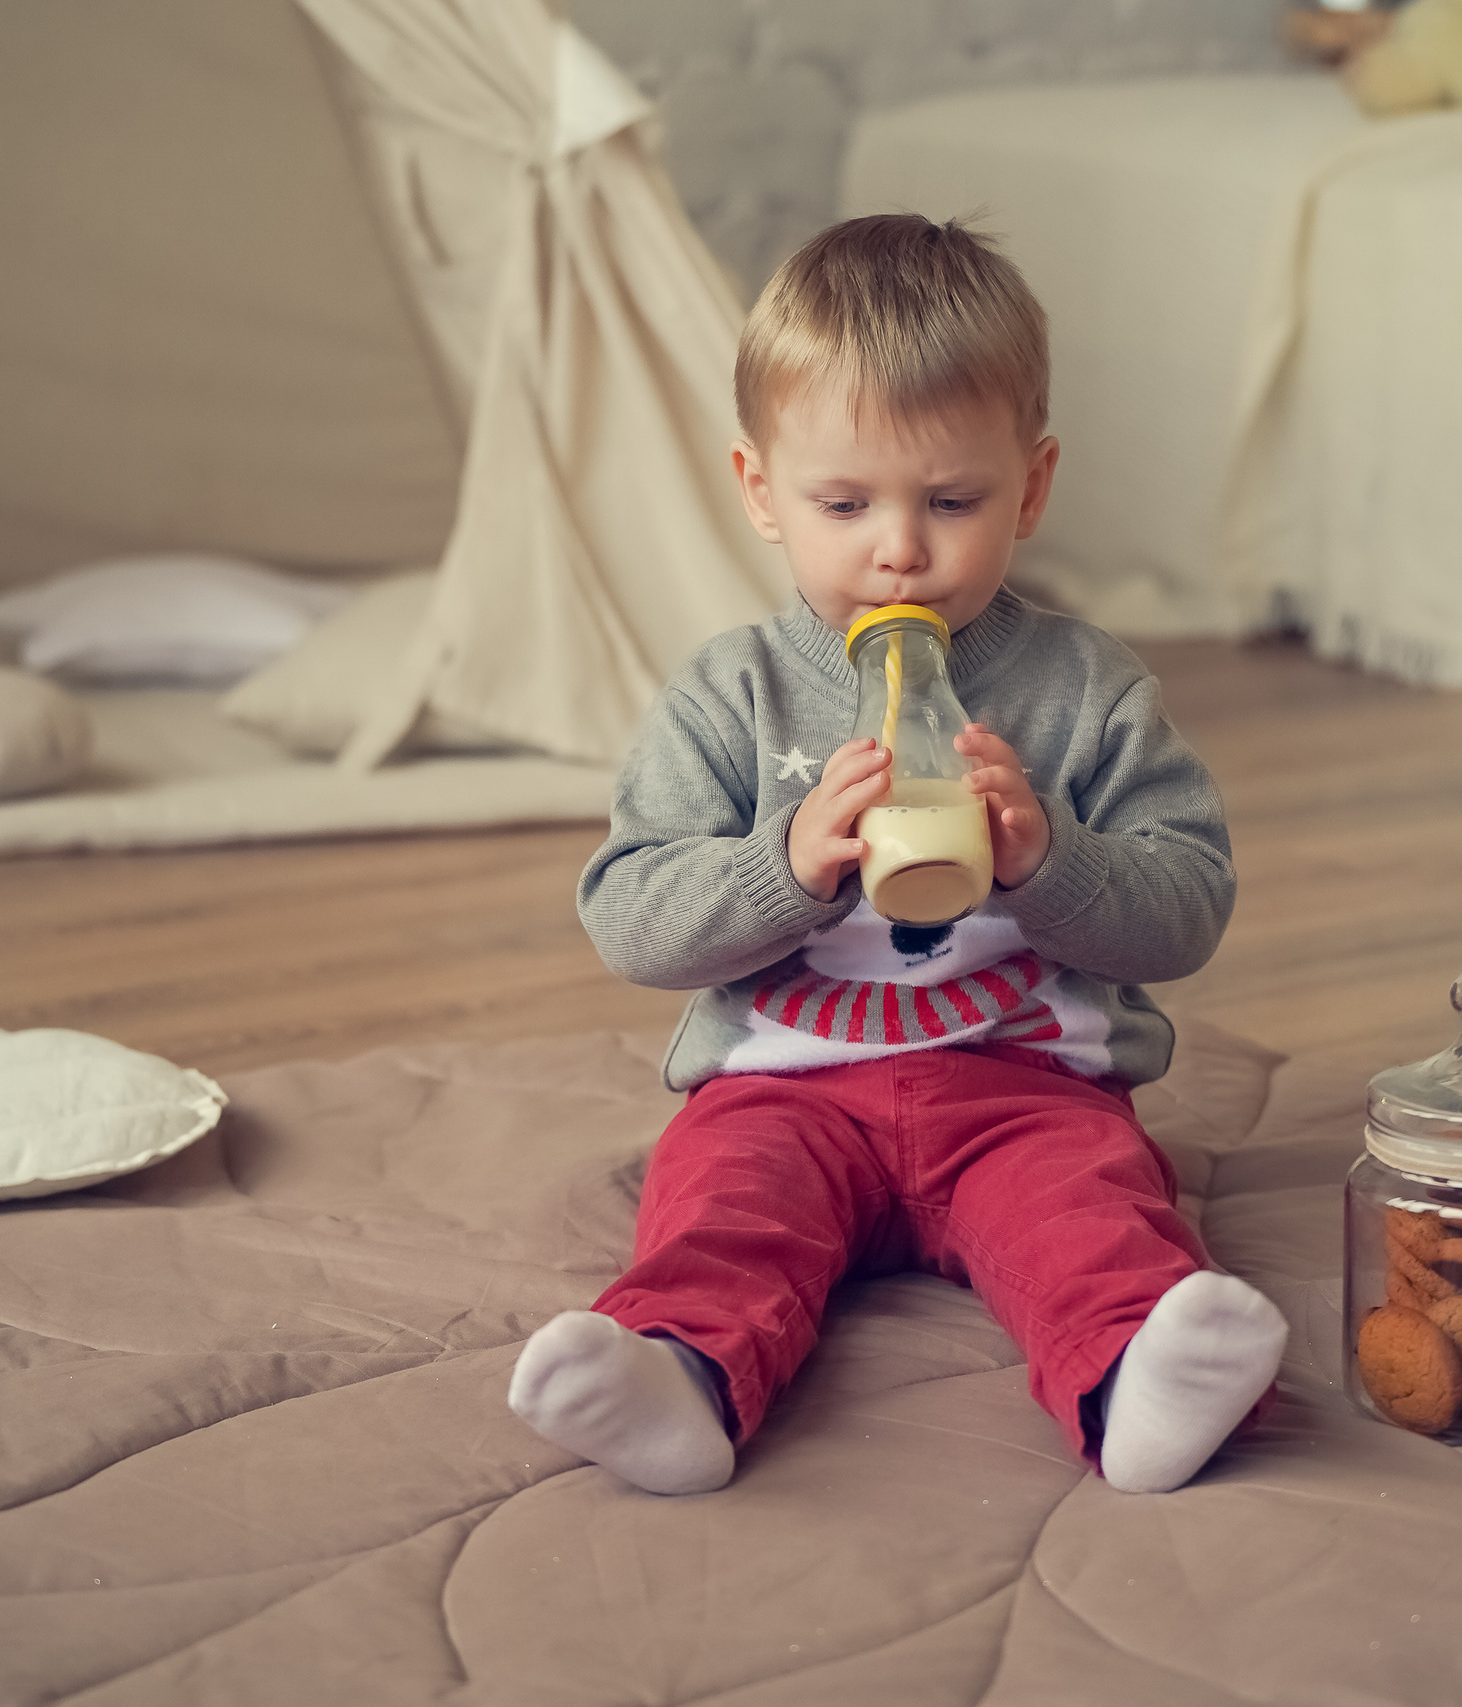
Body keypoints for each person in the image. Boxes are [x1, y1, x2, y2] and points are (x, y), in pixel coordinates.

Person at [507, 213, 1286, 1496]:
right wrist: (786, 866)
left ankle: (1135, 1374)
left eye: (953, 500)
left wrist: (1053, 863)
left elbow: (1187, 910)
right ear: (760, 492)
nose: (900, 548)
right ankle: (677, 1376)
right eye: (843, 501)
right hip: (784, 1088)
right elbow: (630, 921)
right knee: (720, 1212)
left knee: (1088, 1210)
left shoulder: (1084, 690)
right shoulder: (731, 694)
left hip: (1022, 1083)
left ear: (1030, 489)